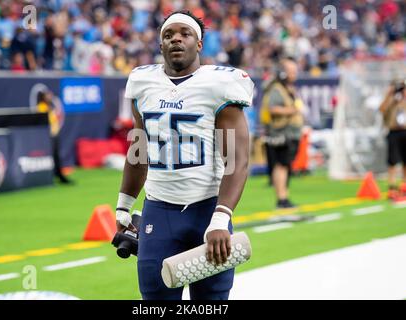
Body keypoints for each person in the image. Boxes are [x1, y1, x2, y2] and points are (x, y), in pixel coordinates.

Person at [115, 10, 254, 300]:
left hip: (207, 210)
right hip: (159, 210)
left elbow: (237, 159)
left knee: (210, 303)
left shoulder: (220, 84)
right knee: (155, 300)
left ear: (199, 43)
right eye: (168, 34)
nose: (176, 38)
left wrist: (221, 218)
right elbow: (138, 149)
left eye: (185, 33)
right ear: (160, 44)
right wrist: (124, 205)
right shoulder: (143, 82)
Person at [260, 58, 304, 209]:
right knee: (281, 166)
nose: (294, 74)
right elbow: (273, 108)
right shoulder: (277, 89)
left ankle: (284, 197)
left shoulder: (285, 88)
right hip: (281, 133)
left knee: (285, 166)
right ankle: (282, 199)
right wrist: (292, 110)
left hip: (289, 133)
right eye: (292, 71)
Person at [36, 90, 73, 184]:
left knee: (56, 156)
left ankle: (59, 175)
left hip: (54, 134)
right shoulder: (41, 107)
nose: (50, 97)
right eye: (47, 95)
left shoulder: (50, 107)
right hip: (48, 136)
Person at [379, 79, 406, 200]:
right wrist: (389, 95)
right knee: (392, 161)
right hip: (394, 132)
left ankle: (404, 187)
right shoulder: (392, 101)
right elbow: (382, 109)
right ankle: (392, 187)